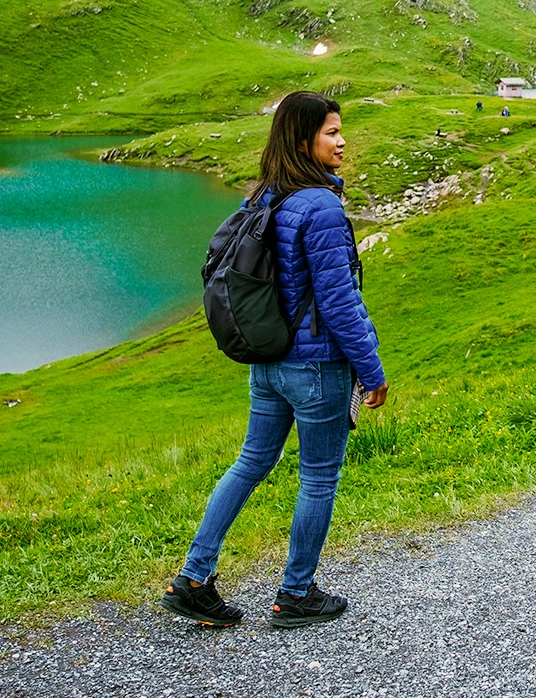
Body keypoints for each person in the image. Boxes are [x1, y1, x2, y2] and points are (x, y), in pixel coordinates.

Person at [161, 91, 389, 629]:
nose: (342, 141)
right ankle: (296, 594)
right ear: (303, 138)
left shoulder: (265, 196)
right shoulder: (322, 206)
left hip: (269, 363)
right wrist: (372, 368)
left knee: (250, 462)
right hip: (317, 368)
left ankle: (194, 579)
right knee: (318, 477)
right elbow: (339, 302)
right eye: (332, 131)